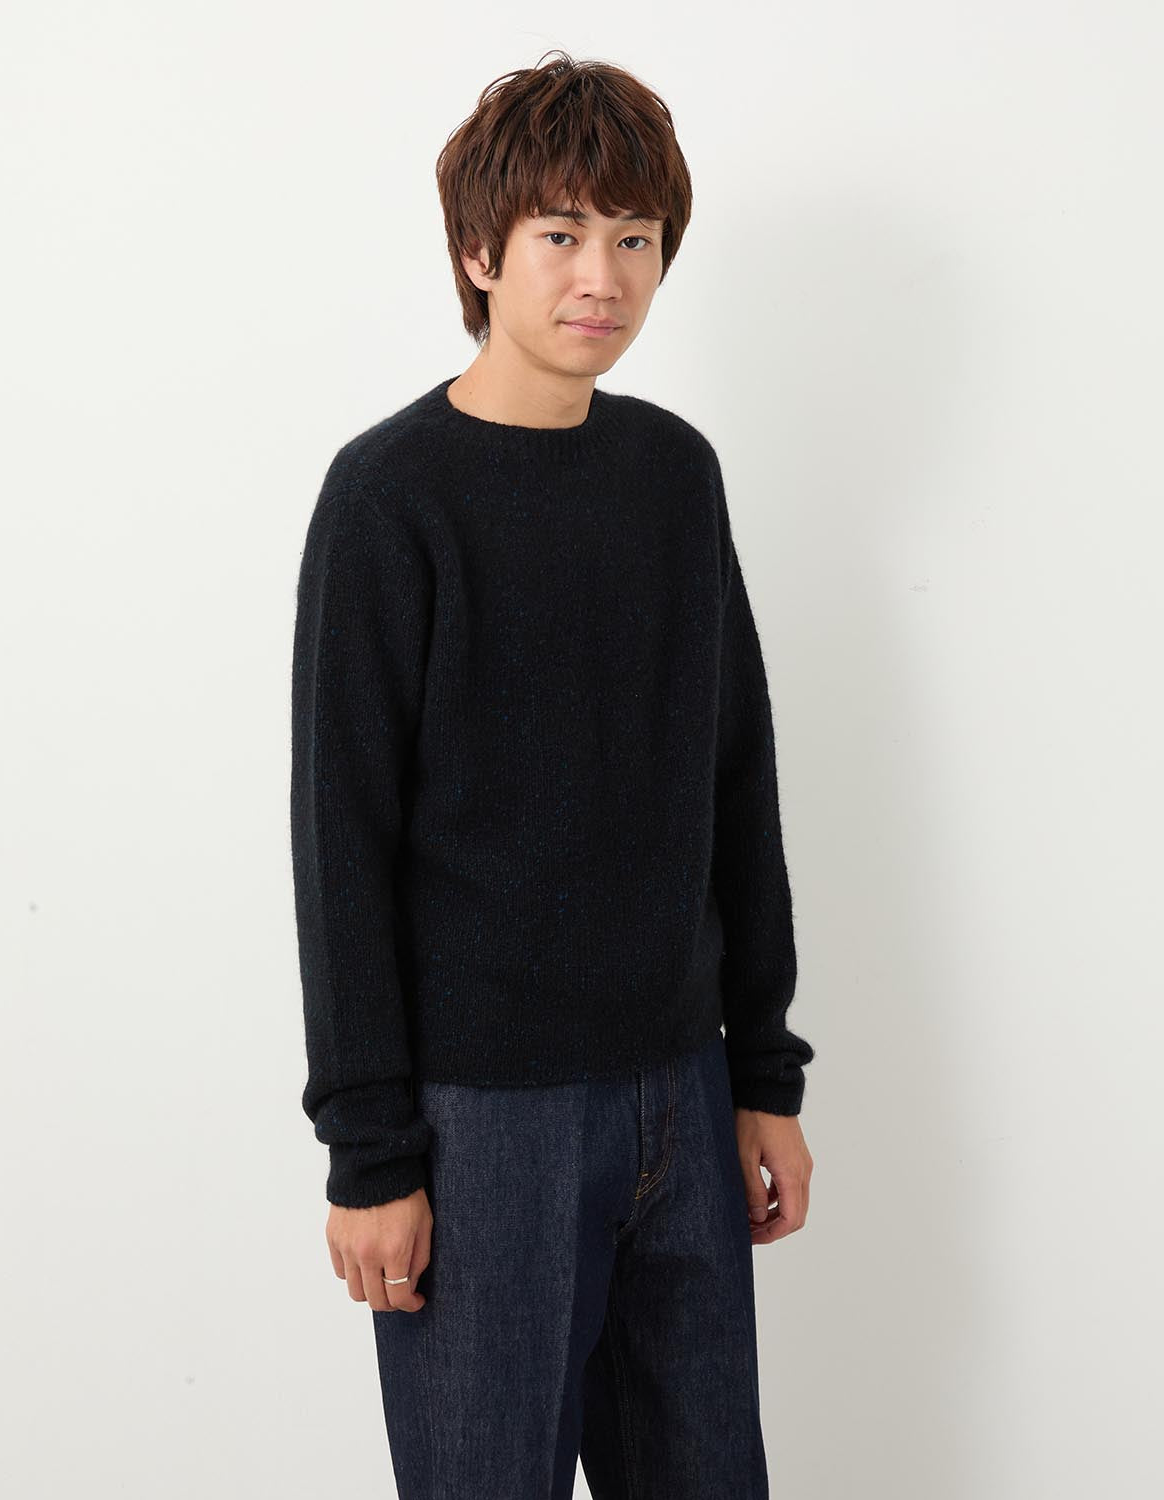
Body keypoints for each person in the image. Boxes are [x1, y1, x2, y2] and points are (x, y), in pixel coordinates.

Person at [289, 49, 816, 1500]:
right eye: (563, 235)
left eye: (636, 240)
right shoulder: (390, 497)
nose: (604, 277)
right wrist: (371, 1156)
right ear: (480, 252)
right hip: (483, 1124)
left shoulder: (674, 475)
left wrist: (761, 1075)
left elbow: (736, 782)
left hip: (681, 1092)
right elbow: (341, 843)